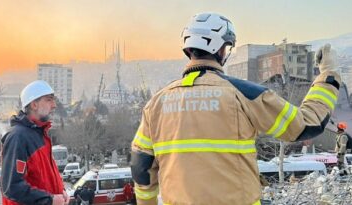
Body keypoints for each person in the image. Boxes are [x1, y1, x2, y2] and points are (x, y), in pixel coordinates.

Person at [130, 12, 341, 205]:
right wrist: (328, 76)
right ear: (222, 50)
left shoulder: (156, 104)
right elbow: (305, 125)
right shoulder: (245, 94)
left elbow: (141, 170)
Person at [1, 80, 68, 205]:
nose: (54, 105)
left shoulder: (40, 134)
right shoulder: (18, 138)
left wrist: (61, 190)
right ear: (34, 105)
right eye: (49, 100)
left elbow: (45, 175)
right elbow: (12, 188)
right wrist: (50, 200)